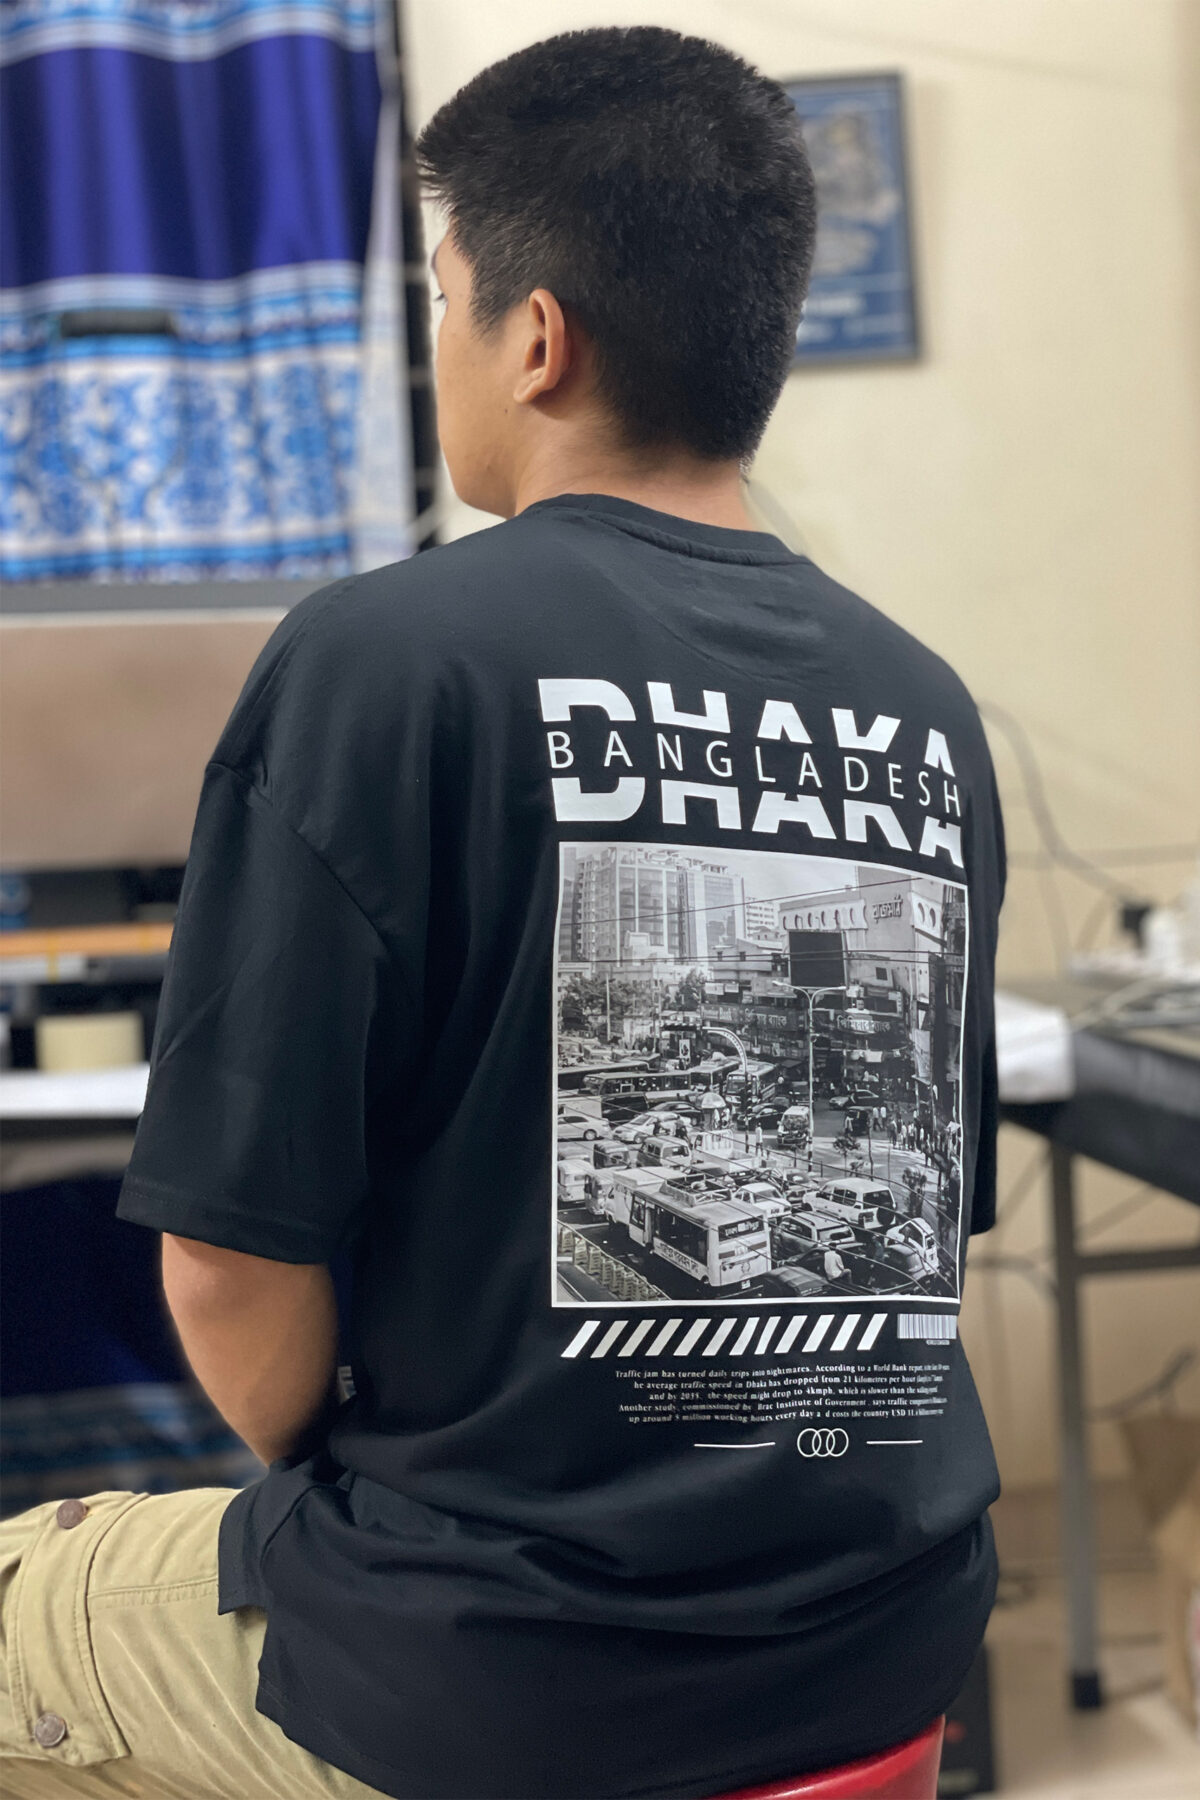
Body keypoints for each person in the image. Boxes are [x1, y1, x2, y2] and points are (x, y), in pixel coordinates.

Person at [0, 26, 1005, 1800]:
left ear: (535, 338)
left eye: (442, 297)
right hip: (875, 1640)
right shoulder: (923, 710)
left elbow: (225, 1266)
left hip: (510, 1672)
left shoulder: (385, 654)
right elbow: (907, 1260)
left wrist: (348, 1483)